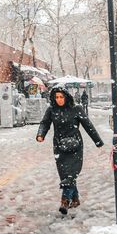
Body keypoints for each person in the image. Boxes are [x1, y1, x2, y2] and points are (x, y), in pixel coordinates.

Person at [36, 87, 104, 215]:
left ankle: (65, 201)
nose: (59, 100)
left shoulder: (76, 109)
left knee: (71, 175)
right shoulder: (52, 110)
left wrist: (97, 141)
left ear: (66, 97)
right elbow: (44, 123)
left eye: (61, 97)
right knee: (65, 175)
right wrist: (41, 134)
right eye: (56, 97)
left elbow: (88, 125)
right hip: (59, 147)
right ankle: (75, 199)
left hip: (75, 146)